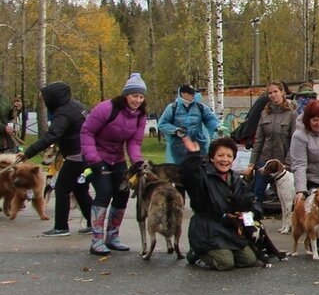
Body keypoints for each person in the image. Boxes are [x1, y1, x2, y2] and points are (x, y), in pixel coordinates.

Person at [78, 74, 148, 255]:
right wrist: (93, 158)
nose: (138, 100)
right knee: (104, 192)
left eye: (141, 96)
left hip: (117, 157)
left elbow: (134, 143)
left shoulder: (140, 116)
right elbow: (87, 132)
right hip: (95, 156)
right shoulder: (106, 108)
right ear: (126, 95)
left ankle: (112, 236)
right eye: (134, 96)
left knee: (122, 193)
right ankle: (96, 240)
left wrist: (137, 162)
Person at [17, 81, 90, 237]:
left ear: (53, 98)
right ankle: (94, 223)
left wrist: (27, 153)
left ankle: (61, 227)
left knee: (62, 189)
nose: (45, 103)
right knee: (80, 190)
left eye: (45, 99)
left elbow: (52, 135)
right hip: (86, 153)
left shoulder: (63, 113)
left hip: (76, 156)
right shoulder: (76, 105)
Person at [182, 136, 259, 270]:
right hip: (207, 229)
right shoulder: (203, 176)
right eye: (220, 155)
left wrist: (250, 214)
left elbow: (252, 201)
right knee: (225, 263)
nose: (225, 159)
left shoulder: (236, 179)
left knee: (249, 260)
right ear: (212, 158)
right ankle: (197, 252)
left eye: (229, 156)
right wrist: (193, 157)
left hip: (229, 229)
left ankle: (225, 251)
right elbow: (190, 178)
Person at [244, 81, 296, 206]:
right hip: (265, 159)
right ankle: (256, 215)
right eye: (270, 93)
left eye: (275, 92)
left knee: (285, 198)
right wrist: (252, 163)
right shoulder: (264, 113)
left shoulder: (291, 113)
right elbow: (259, 140)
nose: (273, 95)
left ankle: (287, 218)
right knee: (257, 193)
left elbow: (294, 141)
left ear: (282, 92)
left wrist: (288, 163)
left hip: (282, 162)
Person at [158, 84, 220, 163]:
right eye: (190, 93)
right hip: (179, 147)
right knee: (180, 169)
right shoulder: (172, 108)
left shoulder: (200, 107)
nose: (193, 95)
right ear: (182, 94)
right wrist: (175, 130)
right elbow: (162, 124)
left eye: (193, 93)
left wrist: (217, 127)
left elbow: (210, 119)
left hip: (199, 145)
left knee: (201, 167)